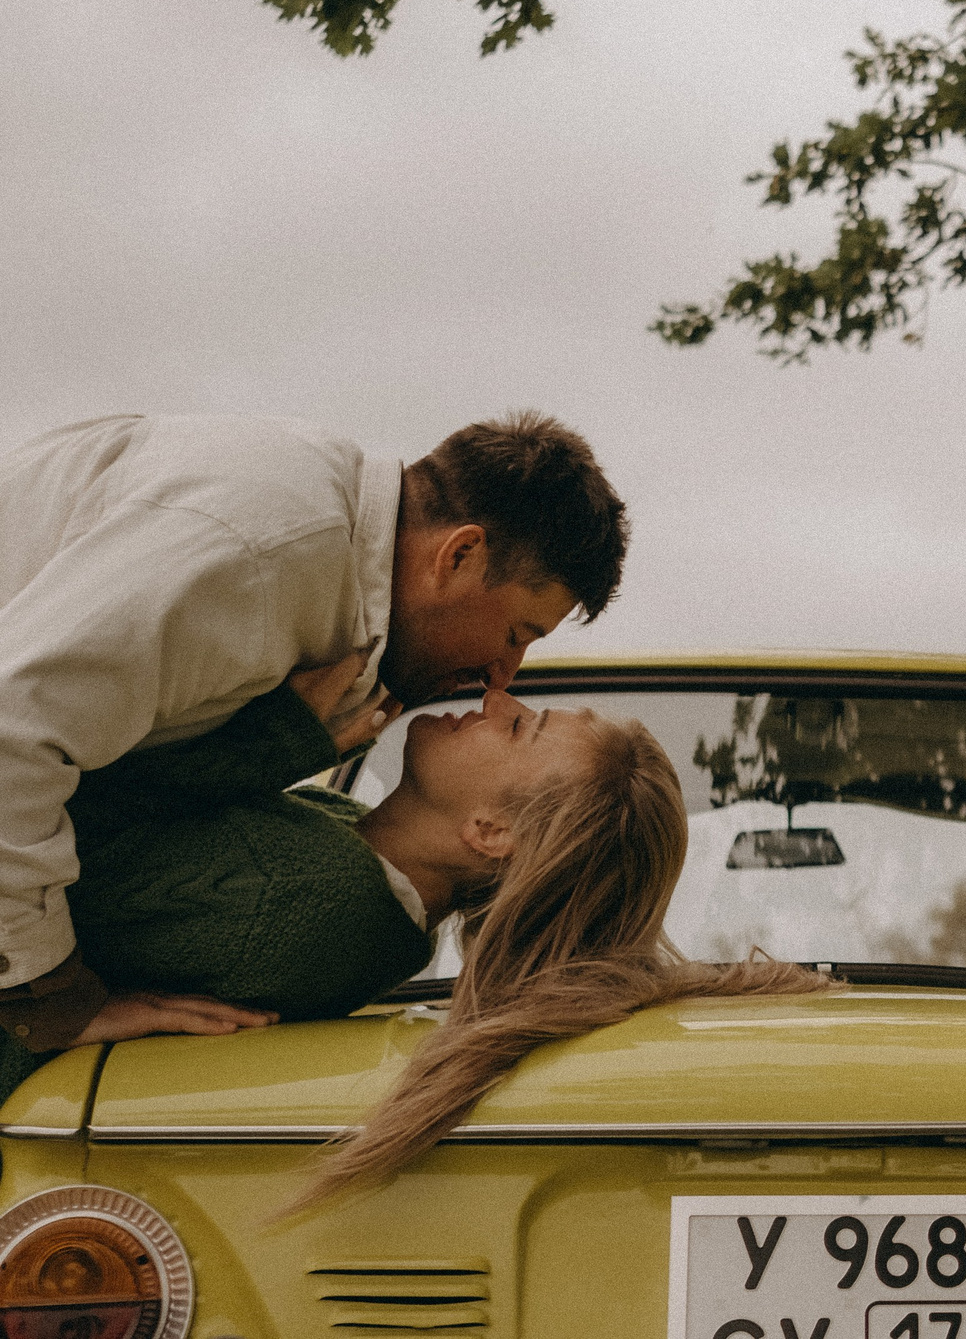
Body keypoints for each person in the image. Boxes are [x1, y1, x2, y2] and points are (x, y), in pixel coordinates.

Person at [0, 654, 826, 1210]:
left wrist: (279, 733)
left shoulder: (307, 898)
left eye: (518, 728)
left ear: (490, 832)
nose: (497, 698)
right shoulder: (360, 883)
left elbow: (35, 817)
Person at [0, 410, 629, 1055]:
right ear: (460, 555)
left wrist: (277, 742)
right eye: (516, 633)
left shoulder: (304, 512)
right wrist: (44, 997)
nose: (504, 677)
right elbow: (12, 733)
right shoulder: (259, 554)